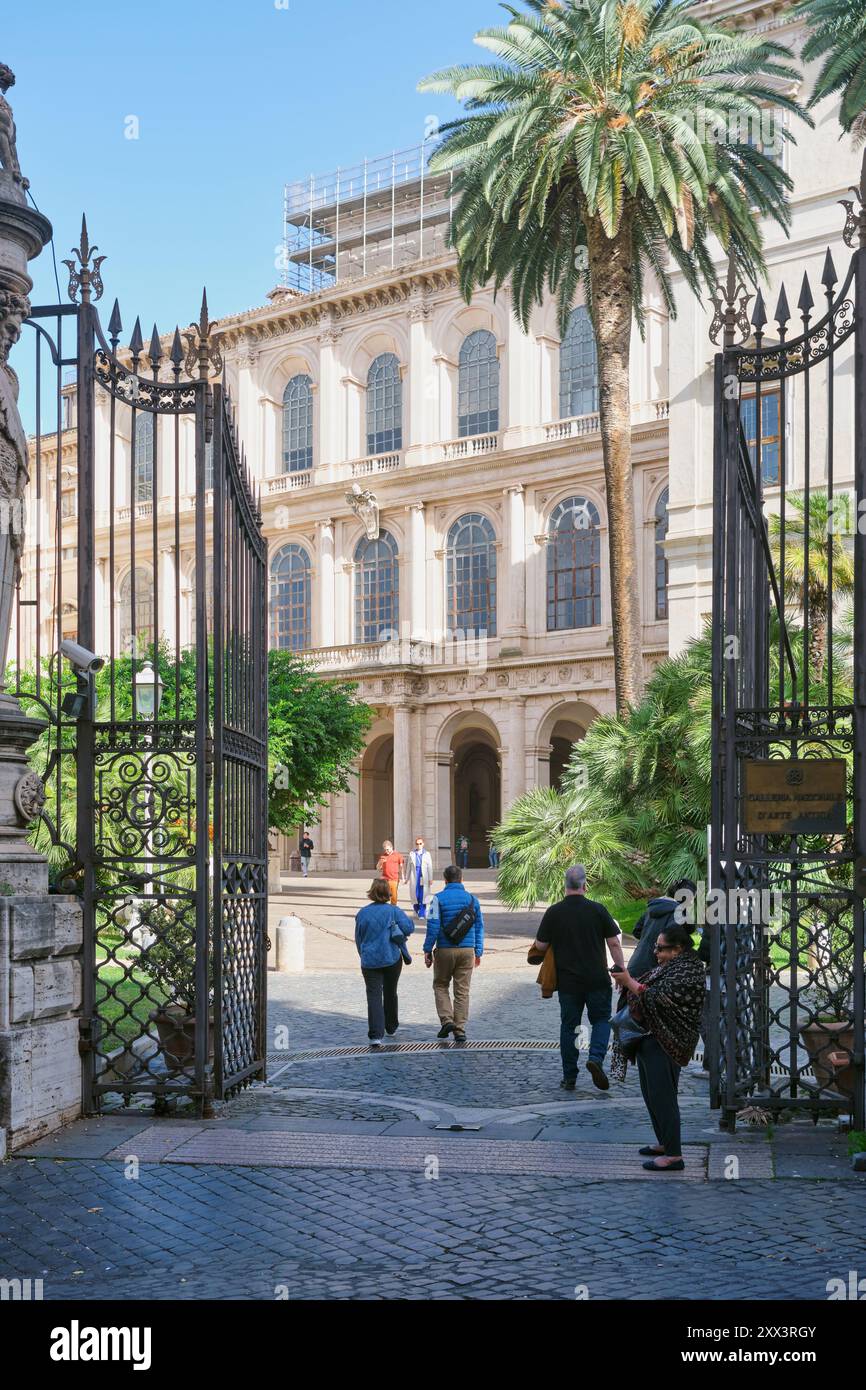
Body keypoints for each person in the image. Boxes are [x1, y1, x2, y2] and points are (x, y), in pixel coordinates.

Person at [610, 923, 706, 1171]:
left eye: (661, 949)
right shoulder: (672, 966)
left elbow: (656, 997)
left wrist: (628, 981)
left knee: (663, 1097)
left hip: (668, 1040)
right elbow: (648, 987)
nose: (656, 953)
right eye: (656, 947)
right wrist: (628, 981)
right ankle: (664, 1142)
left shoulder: (688, 970)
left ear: (678, 949)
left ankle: (674, 1155)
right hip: (650, 1037)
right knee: (652, 1094)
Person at [531, 865, 624, 1092]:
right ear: (585, 885)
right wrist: (620, 969)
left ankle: (569, 1076)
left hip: (568, 983)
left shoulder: (554, 912)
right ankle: (596, 1059)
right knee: (601, 1020)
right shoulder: (598, 910)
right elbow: (614, 943)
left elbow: (540, 946)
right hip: (597, 979)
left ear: (565, 886)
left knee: (570, 1026)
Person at [423, 865, 484, 1042]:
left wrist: (427, 949)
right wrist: (478, 951)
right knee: (462, 991)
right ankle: (460, 1029)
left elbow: (433, 926)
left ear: (445, 880)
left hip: (444, 949)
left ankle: (447, 1019)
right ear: (462, 879)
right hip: (467, 950)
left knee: (440, 985)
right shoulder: (473, 900)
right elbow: (479, 927)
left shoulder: (437, 899)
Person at [354, 878, 414, 1048]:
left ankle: (375, 1035)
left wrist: (363, 954)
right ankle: (391, 1025)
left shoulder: (362, 913)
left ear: (371, 892)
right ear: (388, 892)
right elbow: (409, 928)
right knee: (390, 991)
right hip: (392, 957)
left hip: (370, 960)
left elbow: (358, 938)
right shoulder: (394, 911)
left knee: (373, 995)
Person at [627, 879, 697, 978]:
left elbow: (636, 931)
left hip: (636, 965)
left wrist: (650, 938)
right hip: (654, 972)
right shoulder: (678, 914)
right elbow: (677, 941)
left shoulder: (653, 907)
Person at [404, 836, 434, 919]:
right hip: (415, 875)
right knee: (415, 894)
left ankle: (422, 913)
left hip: (423, 875)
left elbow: (430, 867)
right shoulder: (412, 854)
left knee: (423, 895)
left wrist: (430, 878)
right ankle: (416, 909)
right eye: (417, 844)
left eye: (420, 843)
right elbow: (408, 868)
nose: (419, 845)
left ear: (423, 844)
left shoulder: (427, 854)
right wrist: (407, 878)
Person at [376, 840, 405, 905]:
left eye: (387, 849)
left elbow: (401, 867)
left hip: (394, 879)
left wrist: (403, 878)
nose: (386, 851)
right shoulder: (383, 856)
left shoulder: (398, 855)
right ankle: (384, 908)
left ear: (391, 847)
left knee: (393, 896)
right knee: (384, 895)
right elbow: (378, 868)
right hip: (385, 879)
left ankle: (393, 908)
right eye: (385, 850)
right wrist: (380, 863)